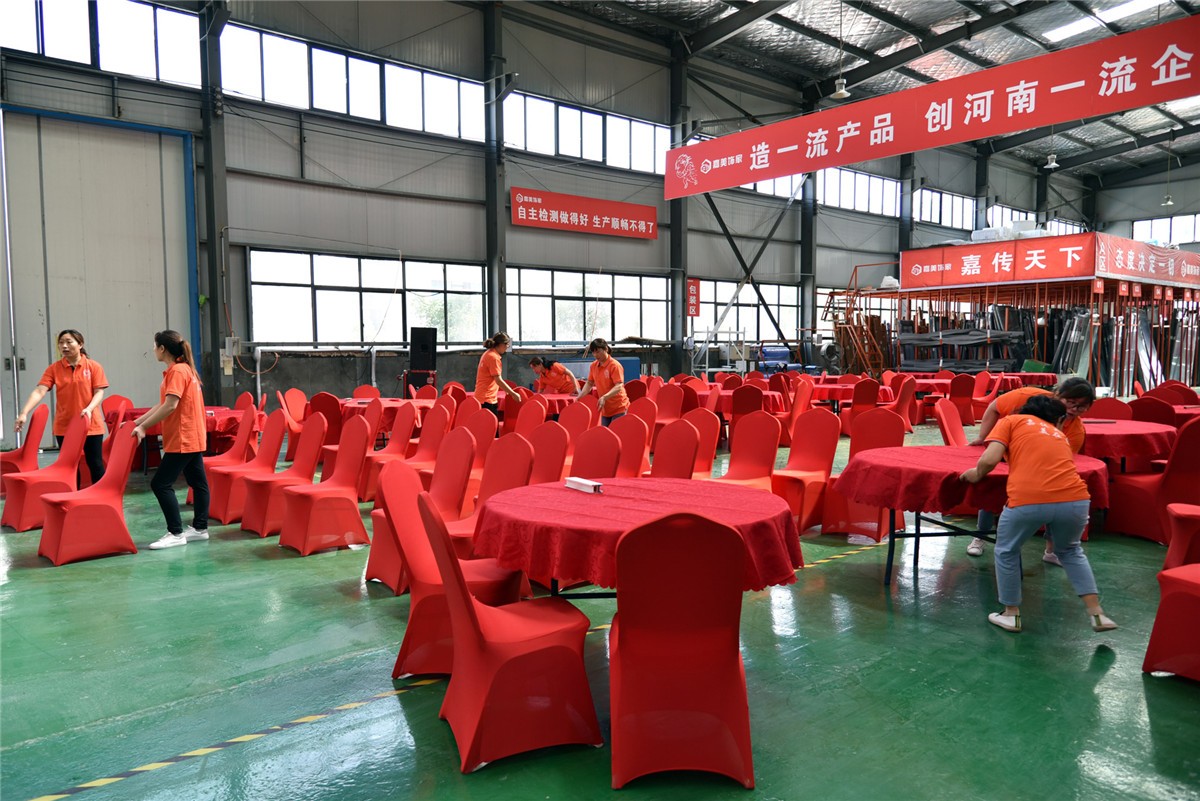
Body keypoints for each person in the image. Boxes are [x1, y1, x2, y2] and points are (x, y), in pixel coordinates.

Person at [960, 394, 1116, 633]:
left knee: (1006, 550)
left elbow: (990, 459)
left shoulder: (1011, 421)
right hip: (1076, 499)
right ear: (1057, 419)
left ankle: (1011, 614)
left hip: (1029, 498)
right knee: (1071, 551)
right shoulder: (1058, 434)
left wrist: (976, 474)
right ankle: (1097, 613)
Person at [964, 377, 1095, 561]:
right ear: (1058, 394)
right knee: (990, 485)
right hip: (1005, 451)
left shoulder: (1076, 431)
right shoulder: (1024, 399)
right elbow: (994, 407)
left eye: (1081, 407)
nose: (1074, 409)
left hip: (1035, 466)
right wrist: (983, 437)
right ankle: (981, 536)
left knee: (1053, 491)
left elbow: (1060, 462)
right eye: (1071, 402)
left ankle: (1051, 550)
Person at [134, 330, 210, 550]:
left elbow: (170, 406)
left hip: (183, 436)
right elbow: (163, 403)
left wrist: (143, 427)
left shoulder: (177, 371)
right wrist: (137, 422)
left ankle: (176, 533)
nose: (153, 350)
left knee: (160, 484)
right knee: (198, 483)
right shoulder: (184, 369)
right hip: (192, 435)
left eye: (154, 346)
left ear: (162, 349)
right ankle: (200, 529)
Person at [14, 329, 108, 484]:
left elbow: (99, 392)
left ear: (80, 344)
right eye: (61, 343)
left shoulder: (93, 366)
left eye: (69, 342)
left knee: (95, 463)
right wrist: (24, 413)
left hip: (91, 424)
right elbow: (39, 391)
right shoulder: (54, 368)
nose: (64, 346)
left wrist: (89, 409)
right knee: (70, 466)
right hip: (65, 425)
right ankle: (72, 495)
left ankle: (102, 494)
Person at [576, 338, 628, 427]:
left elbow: (619, 385)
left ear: (606, 349)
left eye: (598, 352)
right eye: (593, 352)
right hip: (605, 408)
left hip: (619, 407)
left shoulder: (614, 365)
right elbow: (589, 383)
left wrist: (604, 397)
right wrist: (580, 396)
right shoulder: (593, 366)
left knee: (615, 432)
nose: (595, 355)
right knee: (605, 433)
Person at [474, 332, 519, 416]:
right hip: (487, 399)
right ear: (501, 344)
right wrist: (513, 393)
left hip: (481, 397)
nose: (507, 347)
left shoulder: (488, 353)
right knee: (492, 424)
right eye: (507, 344)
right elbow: (498, 380)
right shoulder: (493, 357)